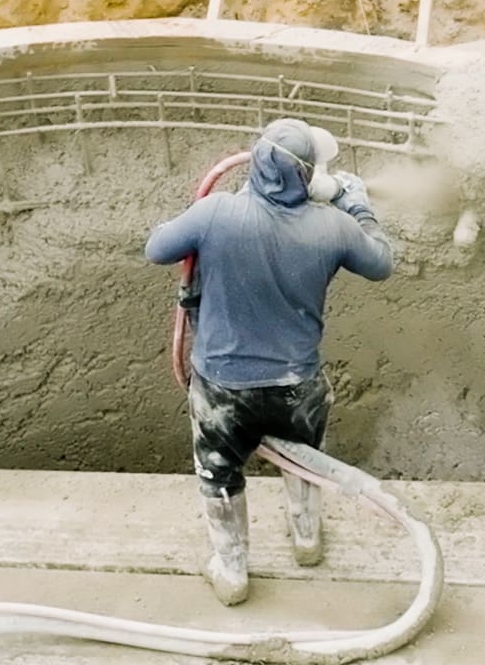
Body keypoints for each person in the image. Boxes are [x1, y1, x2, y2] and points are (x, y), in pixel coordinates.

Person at [144, 117, 394, 605]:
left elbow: (157, 248)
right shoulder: (334, 227)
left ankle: (233, 571)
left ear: (257, 163)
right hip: (296, 387)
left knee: (219, 473)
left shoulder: (215, 213)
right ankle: (306, 538)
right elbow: (382, 262)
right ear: (310, 177)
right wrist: (357, 205)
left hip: (221, 388)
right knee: (302, 459)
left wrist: (198, 220)